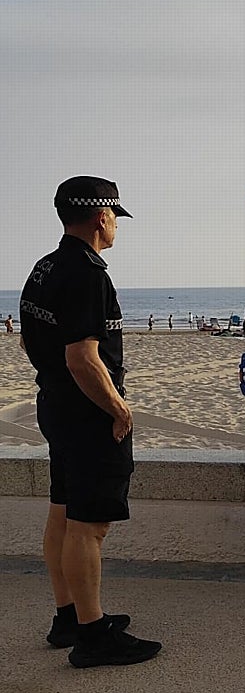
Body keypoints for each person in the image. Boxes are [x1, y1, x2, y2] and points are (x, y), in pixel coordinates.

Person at [18, 176, 161, 667]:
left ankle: (69, 617)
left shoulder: (45, 267)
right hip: (87, 414)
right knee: (89, 525)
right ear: (102, 217)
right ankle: (93, 635)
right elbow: (82, 357)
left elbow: (31, 341)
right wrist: (119, 408)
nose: (117, 226)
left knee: (62, 511)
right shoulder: (86, 273)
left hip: (57, 407)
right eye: (115, 217)